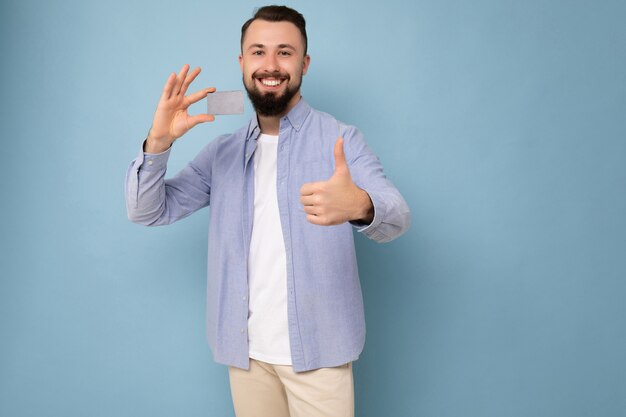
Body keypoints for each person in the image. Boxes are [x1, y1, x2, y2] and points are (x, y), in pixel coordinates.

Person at [125, 5, 410, 417]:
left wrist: (362, 206)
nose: (271, 65)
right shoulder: (221, 153)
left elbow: (397, 215)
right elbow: (147, 211)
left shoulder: (341, 140)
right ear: (242, 63)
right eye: (258, 52)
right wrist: (158, 142)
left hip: (320, 354)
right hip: (246, 355)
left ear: (305, 63)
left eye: (285, 52)